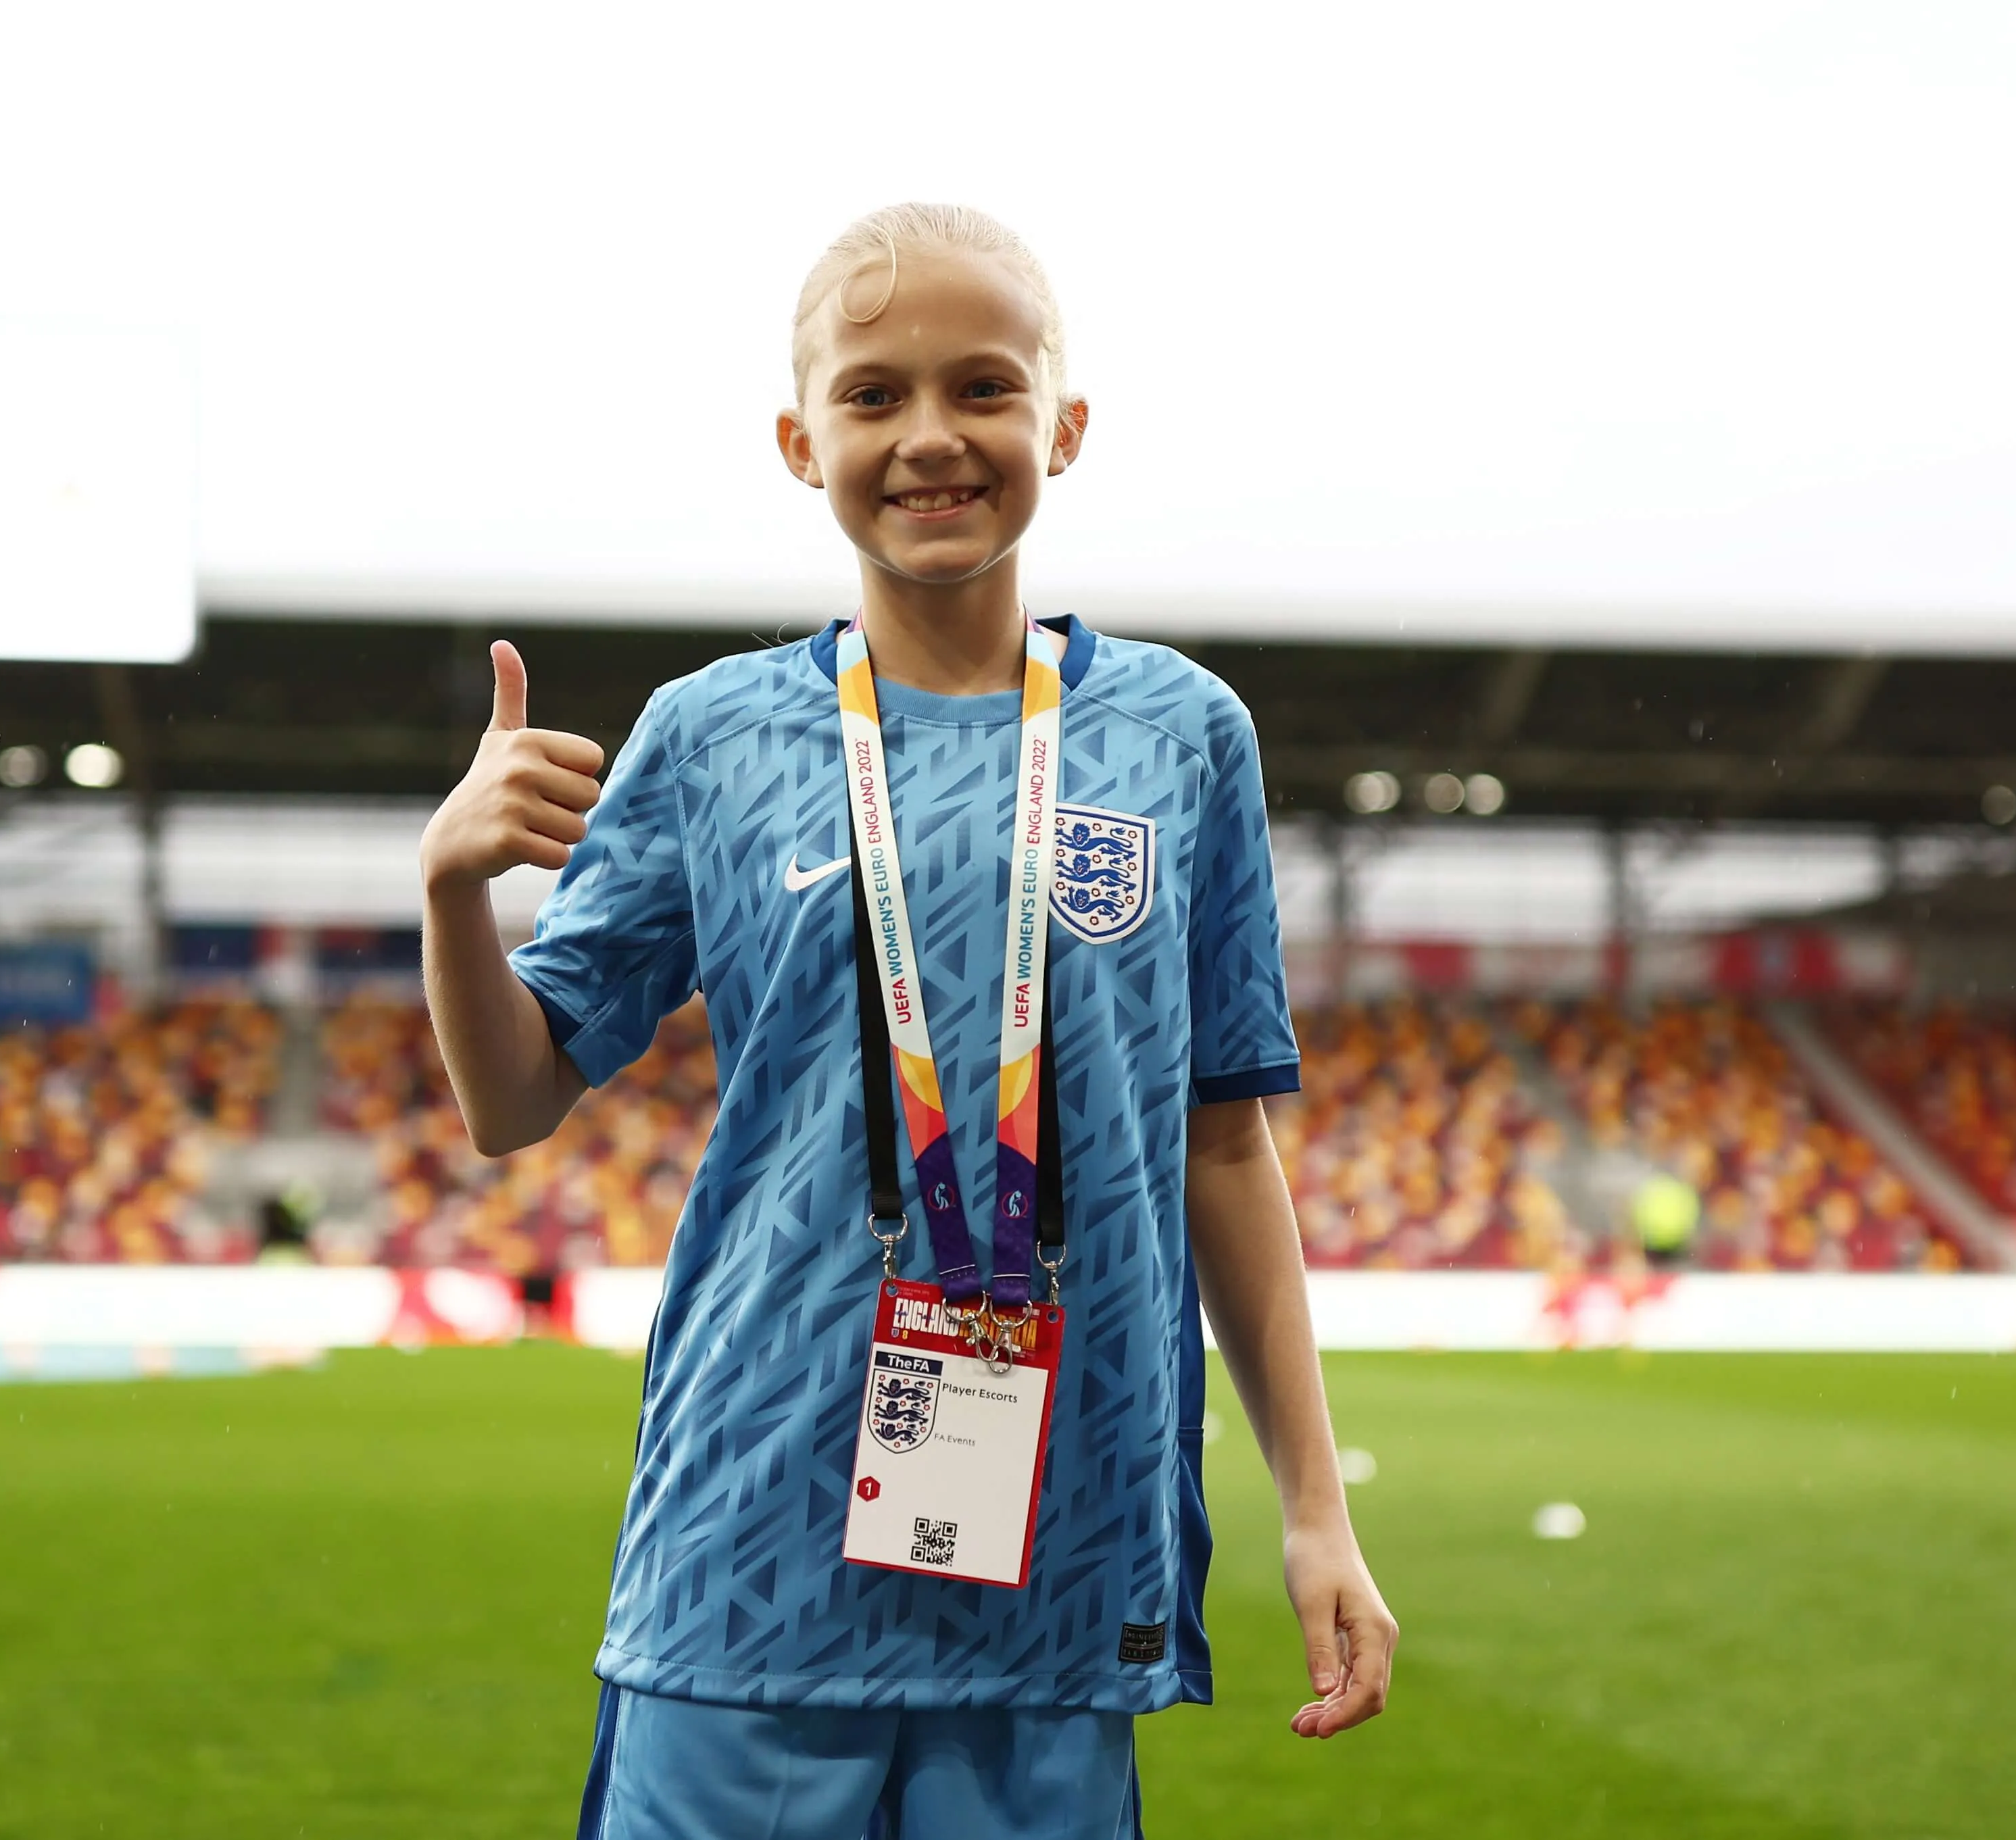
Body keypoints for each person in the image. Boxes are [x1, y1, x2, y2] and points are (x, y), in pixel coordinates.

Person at [420, 203, 1396, 1840]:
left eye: (983, 388)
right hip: (748, 1533)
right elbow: (513, 1095)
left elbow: (1223, 1142)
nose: (929, 436)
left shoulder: (1178, 735)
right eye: (872, 395)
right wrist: (455, 893)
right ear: (800, 439)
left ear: (1061, 426)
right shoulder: (711, 735)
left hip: (1065, 1542)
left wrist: (1316, 1509)